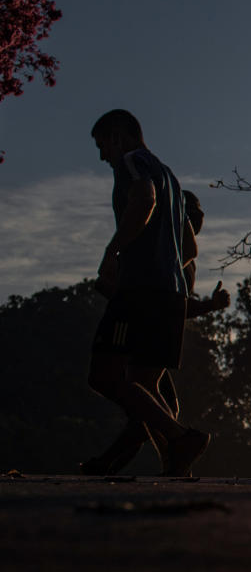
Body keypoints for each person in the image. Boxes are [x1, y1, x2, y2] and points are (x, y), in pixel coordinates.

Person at [86, 109, 210, 478]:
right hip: (172, 294)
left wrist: (115, 252)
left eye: (101, 145)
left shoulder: (131, 161)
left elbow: (143, 199)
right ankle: (176, 460)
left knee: (104, 376)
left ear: (118, 136)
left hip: (140, 290)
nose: (102, 156)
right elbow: (189, 247)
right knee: (142, 387)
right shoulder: (169, 175)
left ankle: (180, 436)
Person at [81, 190, 229, 475]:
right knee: (147, 397)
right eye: (190, 219)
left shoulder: (178, 261)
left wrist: (209, 306)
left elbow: (176, 308)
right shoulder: (158, 254)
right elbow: (108, 284)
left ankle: (147, 462)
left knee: (152, 400)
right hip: (140, 328)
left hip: (152, 328)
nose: (194, 226)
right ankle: (123, 462)